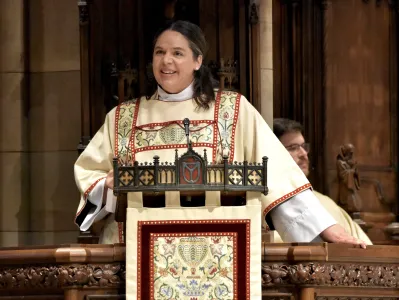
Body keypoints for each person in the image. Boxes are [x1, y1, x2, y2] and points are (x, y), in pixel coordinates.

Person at [74, 20, 367, 248]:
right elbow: (90, 176)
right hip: (135, 248)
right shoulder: (124, 117)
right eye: (159, 52)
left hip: (219, 249)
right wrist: (107, 185)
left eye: (178, 53)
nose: (166, 61)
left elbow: (279, 175)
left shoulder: (233, 110)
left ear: (198, 61)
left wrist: (329, 230)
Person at [272, 118, 372, 244]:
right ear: (272, 152)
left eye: (304, 147)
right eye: (293, 148)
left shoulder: (326, 203)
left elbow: (365, 246)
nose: (303, 154)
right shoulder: (262, 205)